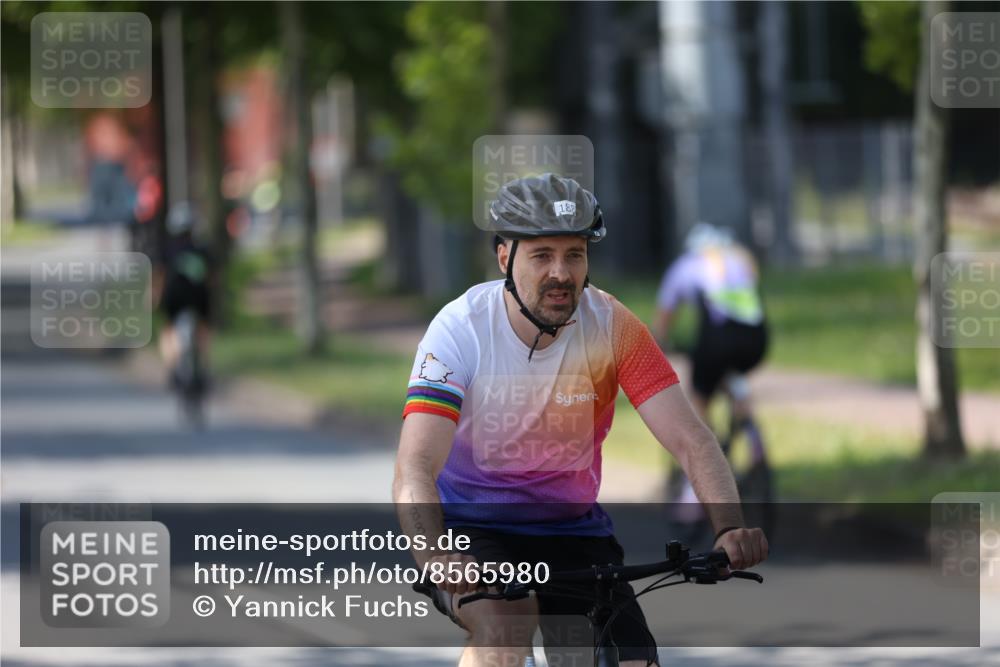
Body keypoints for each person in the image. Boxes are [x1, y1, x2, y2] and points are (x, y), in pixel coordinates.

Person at [393, 174, 768, 667]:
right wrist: (436, 553)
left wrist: (728, 527)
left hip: (573, 533)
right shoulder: (460, 330)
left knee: (631, 656)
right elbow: (415, 466)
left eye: (575, 254)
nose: (561, 273)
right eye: (542, 255)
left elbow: (691, 439)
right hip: (474, 528)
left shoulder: (611, 326)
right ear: (505, 258)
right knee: (506, 628)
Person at [652, 223, 768, 426]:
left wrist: (660, 341)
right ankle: (748, 422)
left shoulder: (684, 265)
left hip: (720, 337)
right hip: (757, 338)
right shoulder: (739, 260)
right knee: (729, 371)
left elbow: (665, 313)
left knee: (700, 390)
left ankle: (704, 442)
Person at [155, 201, 213, 388]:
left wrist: (155, 298)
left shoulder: (167, 250)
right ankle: (203, 367)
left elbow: (160, 276)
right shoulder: (203, 249)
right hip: (199, 295)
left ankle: (172, 369)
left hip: (175, 296)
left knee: (168, 330)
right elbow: (212, 277)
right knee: (203, 329)